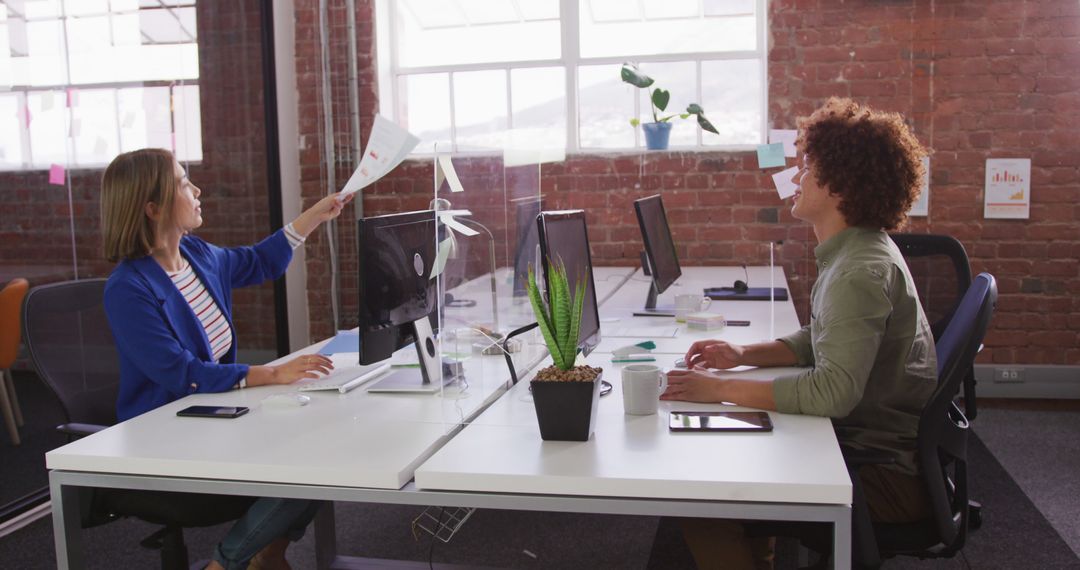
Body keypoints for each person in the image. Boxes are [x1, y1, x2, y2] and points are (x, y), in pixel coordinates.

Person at [662, 97, 937, 569]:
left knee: (702, 504)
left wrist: (718, 390)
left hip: (884, 478)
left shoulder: (857, 271)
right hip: (876, 451)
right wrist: (739, 353)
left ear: (840, 186)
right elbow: (821, 338)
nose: (797, 178)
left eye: (808, 168)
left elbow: (832, 392)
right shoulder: (859, 251)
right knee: (743, 456)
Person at [100, 148, 353, 569]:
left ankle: (269, 552)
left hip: (212, 417)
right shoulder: (128, 289)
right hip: (166, 434)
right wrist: (271, 373)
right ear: (152, 207)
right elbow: (183, 373)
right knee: (309, 461)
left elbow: (257, 261)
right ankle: (227, 562)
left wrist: (314, 216)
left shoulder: (196, 256)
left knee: (326, 442)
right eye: (183, 183)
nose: (196, 190)